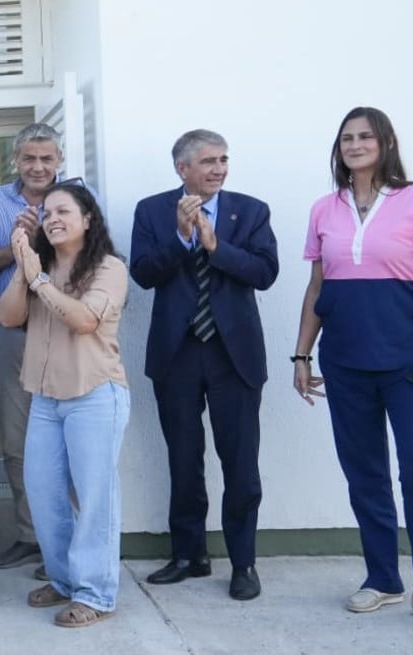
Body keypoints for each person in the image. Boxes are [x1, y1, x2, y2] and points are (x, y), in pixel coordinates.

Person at [292, 107, 413, 633]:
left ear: (385, 143)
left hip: (409, 361)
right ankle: (382, 579)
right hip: (345, 363)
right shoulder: (323, 209)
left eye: (365, 136)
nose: (355, 145)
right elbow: (317, 289)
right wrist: (302, 355)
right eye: (347, 138)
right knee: (366, 475)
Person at [130, 129, 278, 601]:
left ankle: (243, 563)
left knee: (240, 465)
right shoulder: (152, 210)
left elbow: (265, 273)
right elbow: (144, 273)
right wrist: (181, 237)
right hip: (177, 355)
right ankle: (189, 555)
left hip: (233, 356)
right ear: (182, 169)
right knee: (183, 461)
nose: (219, 168)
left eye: (223, 159)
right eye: (208, 161)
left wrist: (215, 247)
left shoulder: (250, 211)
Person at [0, 182, 129, 628]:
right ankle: (65, 578)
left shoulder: (109, 267)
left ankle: (96, 593)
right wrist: (23, 269)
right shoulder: (40, 266)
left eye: (63, 211)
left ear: (88, 219)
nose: (52, 219)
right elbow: (9, 316)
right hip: (46, 399)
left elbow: (85, 320)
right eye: (46, 213)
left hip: (95, 395)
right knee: (43, 493)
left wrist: (39, 280)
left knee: (94, 499)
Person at [0, 123, 67, 571]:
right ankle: (31, 535)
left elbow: (96, 255)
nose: (38, 166)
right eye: (30, 158)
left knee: (69, 440)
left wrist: (46, 236)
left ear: (59, 160)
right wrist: (15, 245)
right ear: (17, 161)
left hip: (65, 332)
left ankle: (67, 543)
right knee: (16, 440)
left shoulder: (77, 202)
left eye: (47, 158)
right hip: (9, 334)